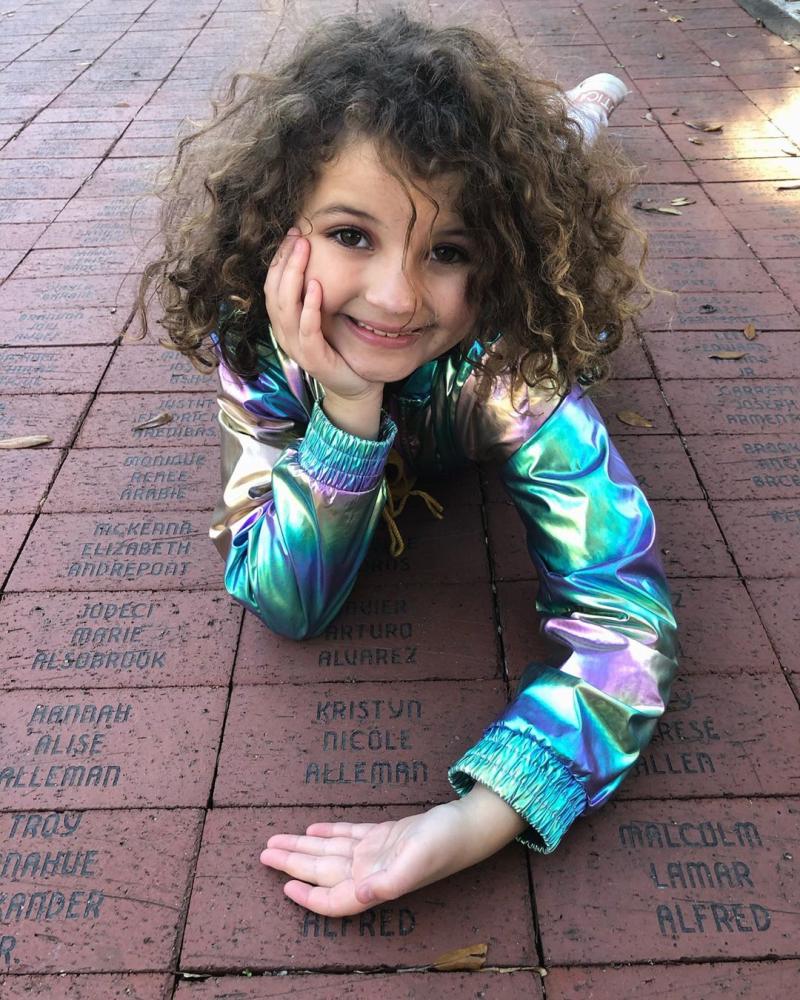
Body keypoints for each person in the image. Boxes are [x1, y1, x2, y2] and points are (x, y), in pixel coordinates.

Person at [134, 10, 678, 919]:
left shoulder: (513, 368)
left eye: (449, 252)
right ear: (279, 228)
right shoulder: (263, 346)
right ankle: (566, 122)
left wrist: (473, 821)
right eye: (352, 234)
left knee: (561, 160)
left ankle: (581, 112)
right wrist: (346, 413)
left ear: (493, 264)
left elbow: (627, 624)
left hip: (529, 292)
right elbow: (284, 600)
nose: (394, 297)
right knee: (548, 152)